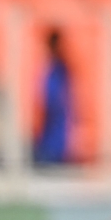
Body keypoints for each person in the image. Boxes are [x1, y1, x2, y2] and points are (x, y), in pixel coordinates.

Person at [33, 29, 74, 164]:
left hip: (56, 136)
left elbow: (55, 101)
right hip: (49, 133)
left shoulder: (60, 69)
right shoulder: (52, 68)